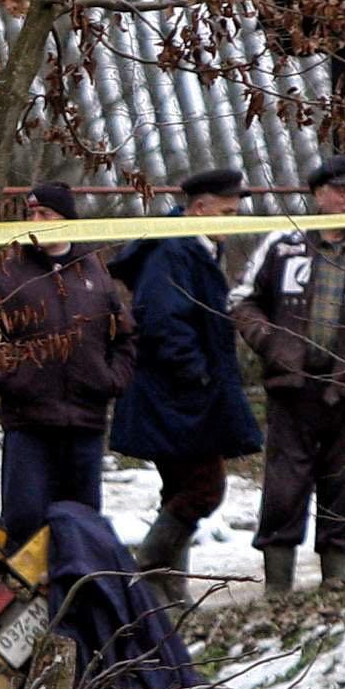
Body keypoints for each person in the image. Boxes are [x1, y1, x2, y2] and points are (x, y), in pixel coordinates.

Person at [231, 155, 345, 593]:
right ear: (318, 194)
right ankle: (278, 587)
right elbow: (243, 300)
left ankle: (335, 583)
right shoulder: (282, 244)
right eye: (343, 190)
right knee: (285, 487)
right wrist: (272, 344)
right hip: (292, 388)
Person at [107, 169, 263, 607]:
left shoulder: (194, 247)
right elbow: (164, 321)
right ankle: (146, 580)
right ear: (200, 208)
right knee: (203, 490)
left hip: (177, 395)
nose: (234, 221)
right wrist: (197, 373)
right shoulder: (174, 251)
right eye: (228, 212)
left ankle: (164, 597)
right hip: (176, 396)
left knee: (179, 491)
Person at [0, 182, 135, 549]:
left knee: (82, 524)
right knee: (24, 520)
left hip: (86, 421)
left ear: (66, 220)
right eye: (30, 214)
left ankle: (80, 599)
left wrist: (111, 380)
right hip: (29, 422)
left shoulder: (95, 271)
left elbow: (125, 336)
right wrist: (13, 380)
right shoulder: (6, 273)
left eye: (45, 214)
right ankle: (24, 602)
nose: (36, 221)